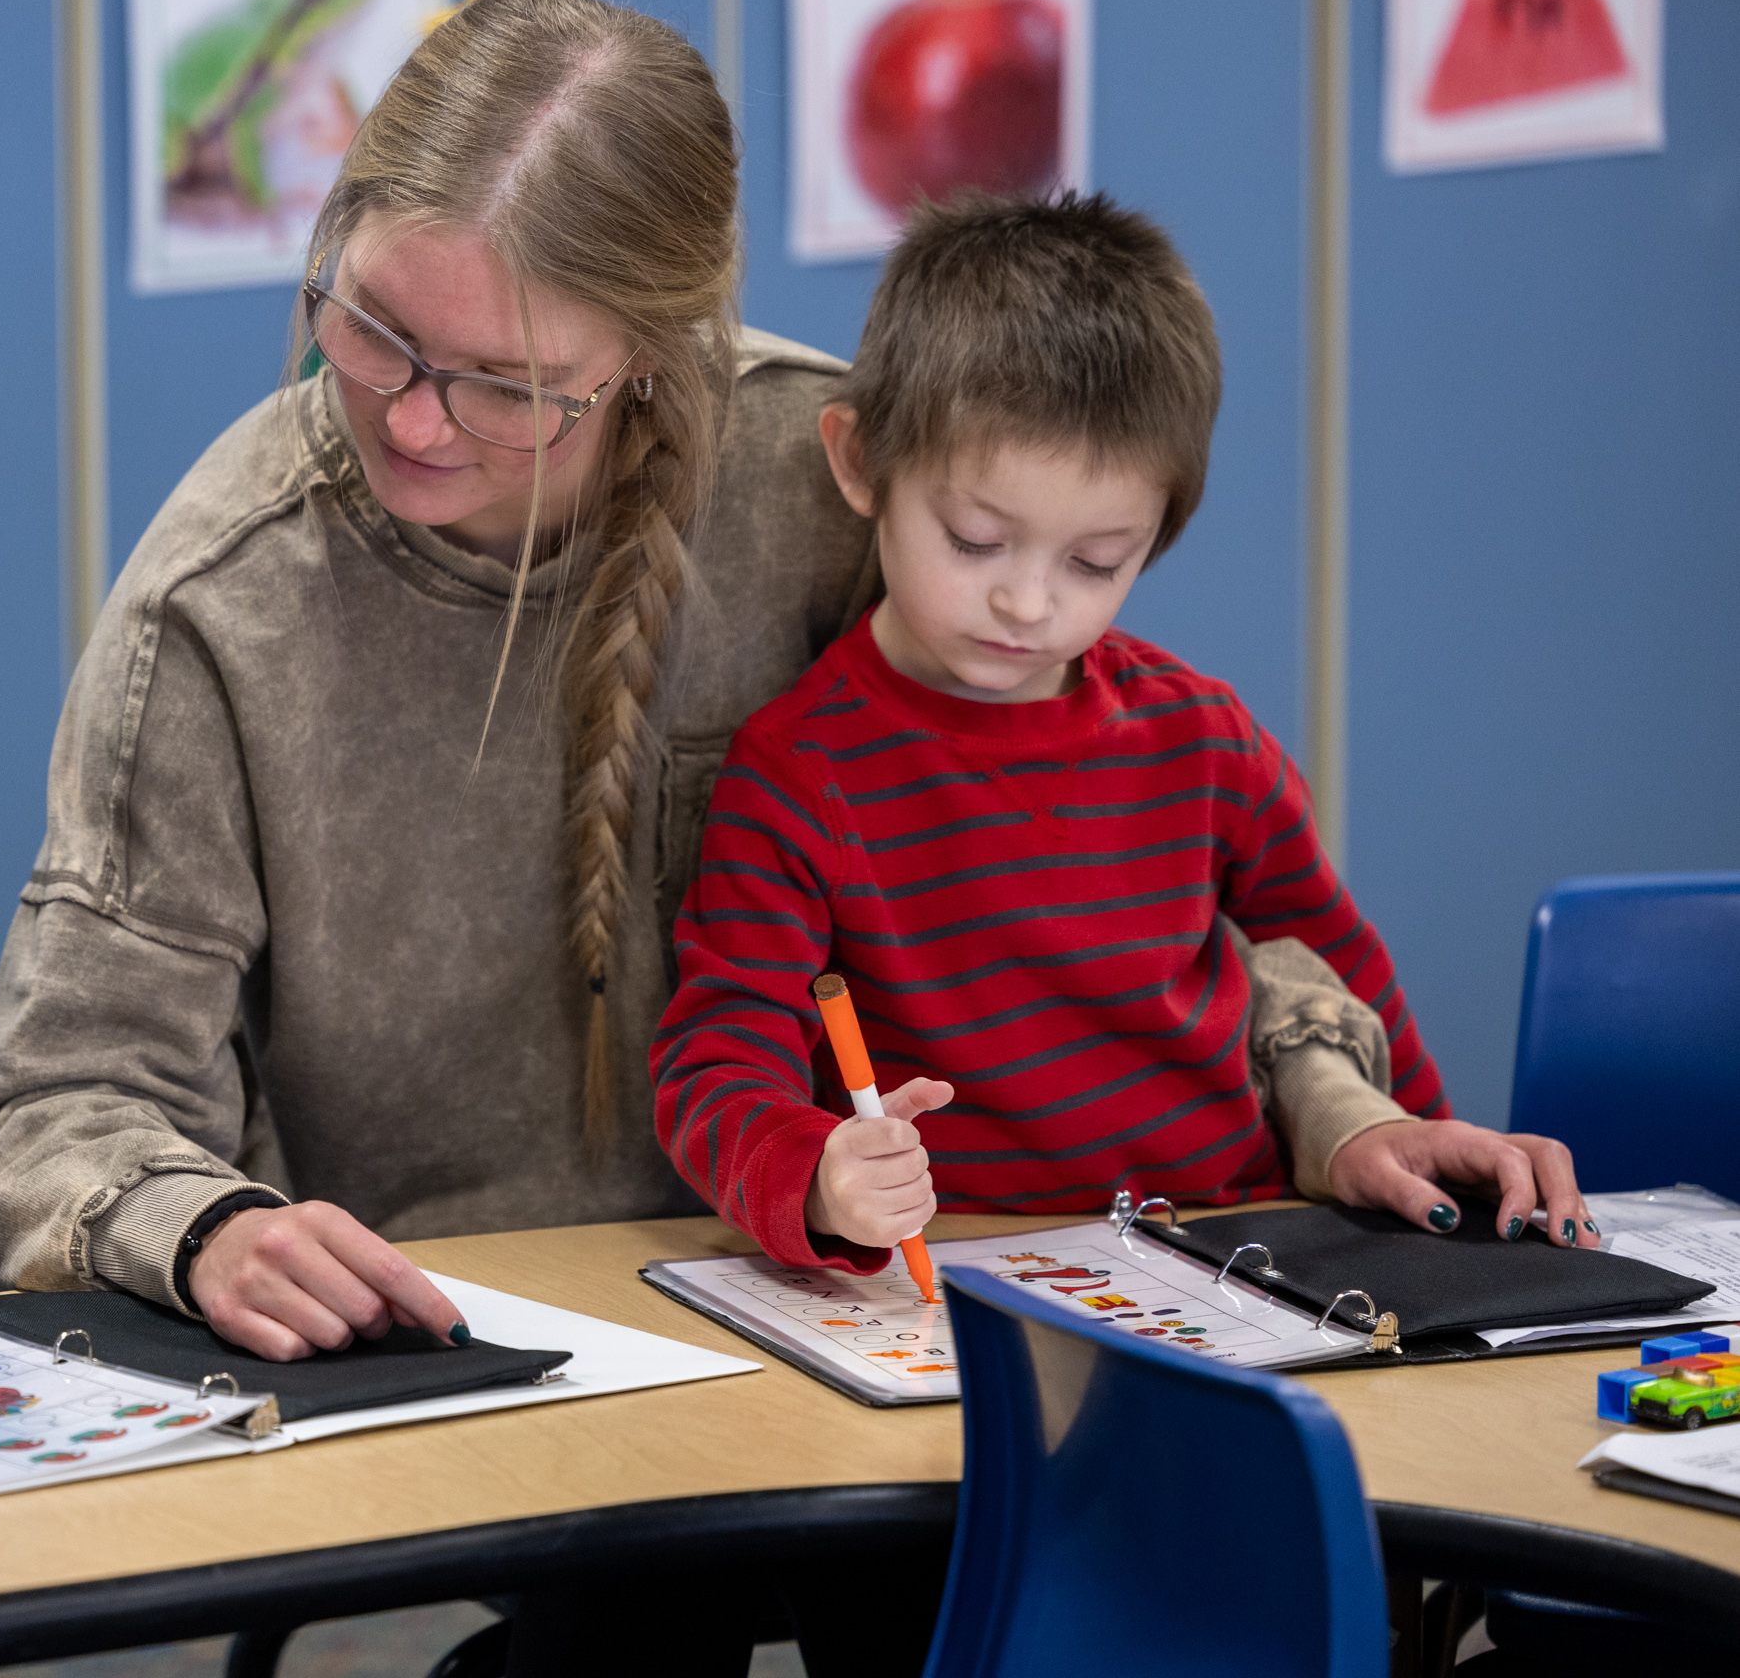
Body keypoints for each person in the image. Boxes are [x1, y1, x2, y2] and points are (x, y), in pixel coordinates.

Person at [0, 0, 1463, 1360]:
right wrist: (204, 1227)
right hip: (472, 1344)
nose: (413, 422)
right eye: (374, 330)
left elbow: (1145, 862)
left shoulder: (844, 495)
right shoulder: (228, 602)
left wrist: (1335, 1098)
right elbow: (52, 1116)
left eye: (513, 387)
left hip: (870, 1307)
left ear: (658, 356)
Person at [652, 192, 1597, 1268]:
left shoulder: (1203, 741)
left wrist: (1407, 1136)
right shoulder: (797, 775)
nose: (1028, 603)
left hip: (1240, 1257)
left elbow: (1342, 971)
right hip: (965, 1282)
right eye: (974, 539)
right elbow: (716, 1061)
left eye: (1096, 563)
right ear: (861, 462)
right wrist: (816, 1176)